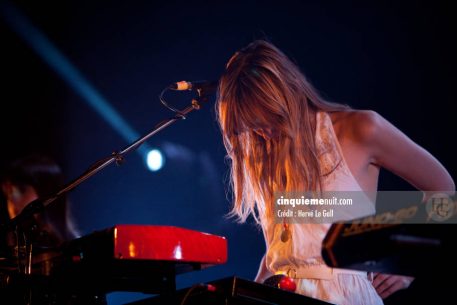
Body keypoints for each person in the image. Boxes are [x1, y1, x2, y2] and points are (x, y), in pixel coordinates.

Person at [215, 39, 455, 305]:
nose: (264, 133)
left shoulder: (361, 128)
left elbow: (443, 192)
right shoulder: (265, 153)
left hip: (345, 296)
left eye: (270, 119)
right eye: (253, 127)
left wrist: (409, 263)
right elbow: (281, 252)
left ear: (288, 93)